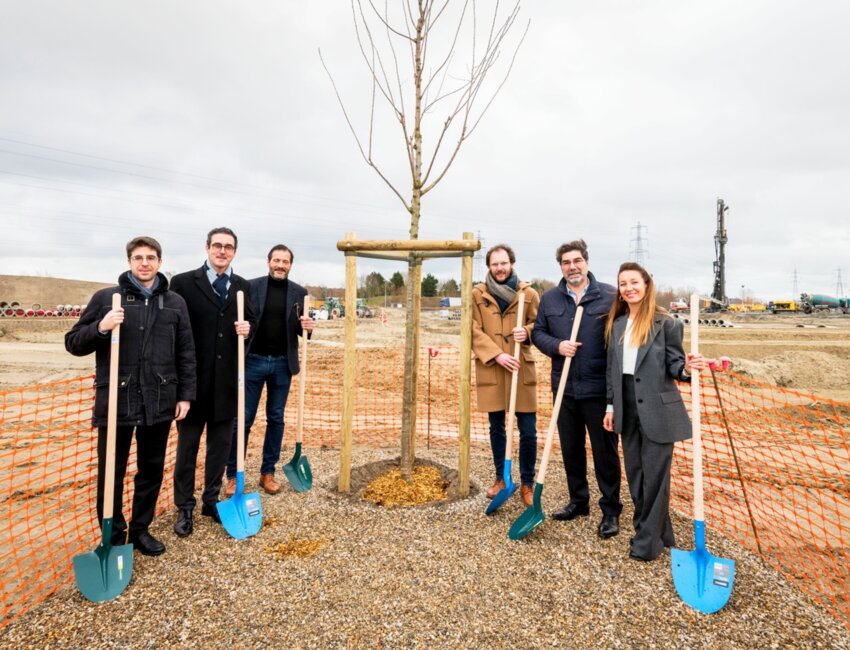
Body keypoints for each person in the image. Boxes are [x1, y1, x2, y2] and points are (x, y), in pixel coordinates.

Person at [65, 236, 196, 556]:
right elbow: (74, 342)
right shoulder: (107, 298)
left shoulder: (175, 302)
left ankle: (140, 530)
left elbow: (186, 352)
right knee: (112, 469)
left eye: (151, 257)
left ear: (160, 262)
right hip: (116, 400)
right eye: (138, 258)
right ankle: (112, 533)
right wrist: (102, 326)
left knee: (151, 469)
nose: (145, 263)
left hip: (160, 398)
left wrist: (185, 395)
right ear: (129, 262)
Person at [603, 262, 705, 561]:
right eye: (623, 283)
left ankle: (647, 542)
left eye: (634, 282)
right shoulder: (617, 324)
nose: (629, 288)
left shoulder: (668, 324)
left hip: (658, 410)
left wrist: (687, 368)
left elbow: (675, 365)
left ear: (647, 285)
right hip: (626, 406)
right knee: (635, 475)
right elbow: (613, 370)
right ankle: (661, 532)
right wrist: (610, 406)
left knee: (656, 477)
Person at [531, 239, 622, 539]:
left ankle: (610, 510)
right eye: (566, 262)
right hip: (565, 388)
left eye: (577, 261)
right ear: (561, 266)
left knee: (605, 453)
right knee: (571, 449)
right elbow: (538, 334)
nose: (572, 266)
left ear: (586, 262)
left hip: (598, 389)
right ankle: (578, 501)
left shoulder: (609, 296)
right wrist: (558, 345)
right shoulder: (551, 299)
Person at [169, 227, 254, 537]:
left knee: (219, 448)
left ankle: (210, 500)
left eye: (228, 247)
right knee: (187, 449)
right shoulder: (182, 284)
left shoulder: (242, 286)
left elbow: (251, 328)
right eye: (217, 245)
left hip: (226, 385)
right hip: (192, 384)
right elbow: (174, 330)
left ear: (234, 252)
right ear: (206, 248)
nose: (222, 251)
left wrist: (247, 328)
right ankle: (185, 508)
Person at [224, 244, 315, 497]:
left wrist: (307, 326)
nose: (280, 265)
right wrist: (241, 328)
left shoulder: (299, 292)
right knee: (243, 418)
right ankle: (234, 474)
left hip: (281, 365)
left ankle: (268, 472)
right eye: (276, 260)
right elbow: (240, 320)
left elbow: (302, 330)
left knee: (276, 418)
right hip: (252, 360)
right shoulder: (251, 287)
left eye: (285, 262)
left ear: (290, 265)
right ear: (268, 262)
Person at [472, 244, 540, 506]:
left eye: (504, 263)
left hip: (520, 367)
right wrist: (496, 354)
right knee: (497, 428)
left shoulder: (529, 294)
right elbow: (472, 329)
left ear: (512, 263)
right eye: (494, 264)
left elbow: (540, 325)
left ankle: (526, 484)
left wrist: (528, 333)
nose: (499, 268)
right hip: (493, 366)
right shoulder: (478, 294)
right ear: (488, 267)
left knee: (528, 430)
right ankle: (501, 478)